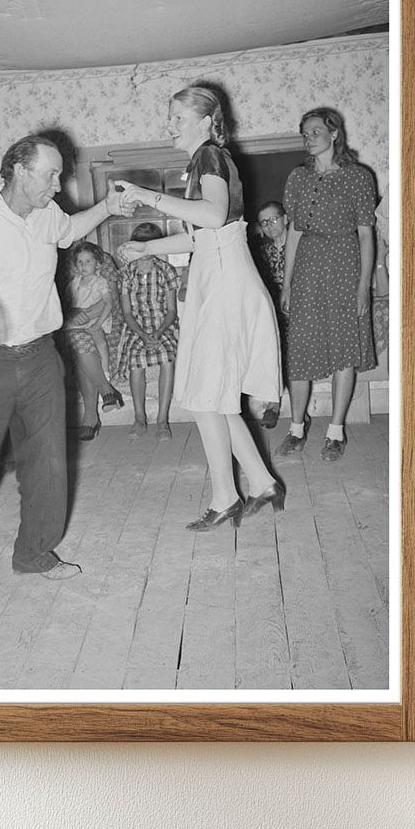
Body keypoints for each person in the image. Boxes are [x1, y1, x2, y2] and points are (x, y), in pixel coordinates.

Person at [0, 134, 135, 579]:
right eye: (50, 174)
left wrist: (108, 208)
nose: (58, 184)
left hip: (40, 356)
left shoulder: (46, 214)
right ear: (19, 169)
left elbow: (70, 231)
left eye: (60, 174)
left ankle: (33, 553)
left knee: (50, 458)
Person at [117, 86, 285, 531]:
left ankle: (225, 496)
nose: (169, 125)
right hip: (218, 274)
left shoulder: (210, 156)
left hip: (227, 282)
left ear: (207, 120)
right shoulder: (203, 163)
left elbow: (211, 218)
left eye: (177, 117)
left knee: (207, 394)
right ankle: (264, 483)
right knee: (215, 394)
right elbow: (202, 235)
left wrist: (146, 195)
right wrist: (146, 246)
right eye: (169, 116)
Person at [278, 107, 377, 462]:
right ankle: (296, 428)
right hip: (307, 265)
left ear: (334, 134)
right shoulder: (297, 177)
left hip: (344, 263)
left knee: (343, 348)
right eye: (305, 132)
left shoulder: (358, 177)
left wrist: (363, 285)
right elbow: (293, 233)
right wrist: (287, 284)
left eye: (316, 130)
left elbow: (366, 235)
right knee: (300, 348)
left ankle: (335, 431)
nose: (309, 137)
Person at [116, 222, 179, 440]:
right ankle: (139, 417)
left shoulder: (166, 271)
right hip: (136, 328)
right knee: (136, 361)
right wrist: (143, 335)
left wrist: (159, 333)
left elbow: (171, 311)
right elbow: (127, 312)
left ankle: (162, 420)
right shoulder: (126, 274)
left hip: (164, 326)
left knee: (168, 358)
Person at [60, 241, 124, 440]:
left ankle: (90, 416)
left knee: (80, 342)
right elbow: (62, 300)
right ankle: (107, 391)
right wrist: (72, 313)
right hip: (70, 321)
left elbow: (111, 297)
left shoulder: (102, 260)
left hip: (100, 319)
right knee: (78, 340)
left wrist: (84, 315)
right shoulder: (55, 260)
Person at [250, 200, 289, 428]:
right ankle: (273, 404)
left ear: (286, 219)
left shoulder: (301, 246)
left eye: (273, 219)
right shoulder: (262, 253)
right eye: (264, 223)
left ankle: (280, 407)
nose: (269, 226)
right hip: (272, 313)